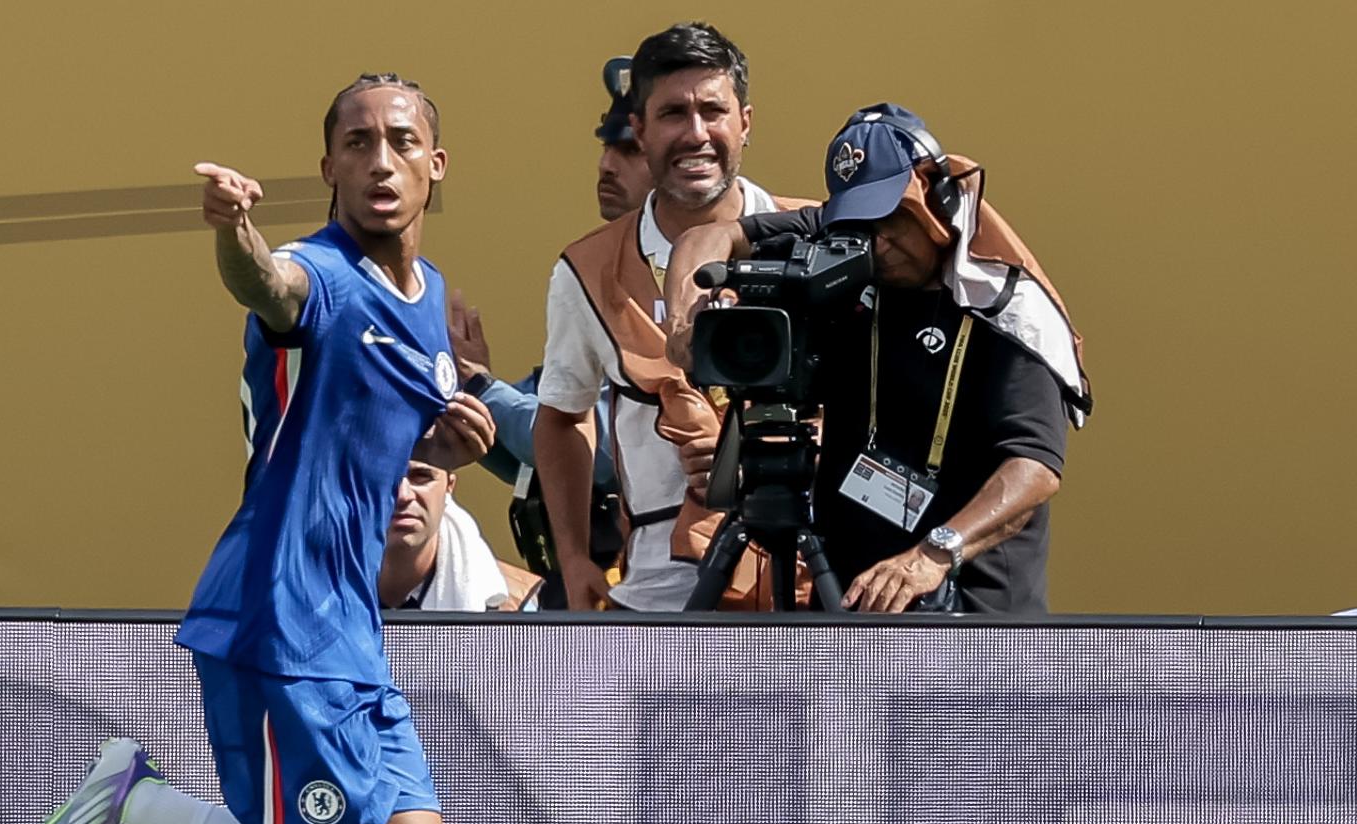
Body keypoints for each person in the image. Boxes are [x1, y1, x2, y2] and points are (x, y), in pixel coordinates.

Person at [12, 74, 494, 824]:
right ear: (324, 167)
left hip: (352, 636)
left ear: (439, 165)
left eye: (402, 142)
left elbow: (368, 427)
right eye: (355, 142)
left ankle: (144, 803)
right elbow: (270, 289)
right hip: (278, 623)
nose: (379, 159)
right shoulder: (316, 274)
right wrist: (235, 233)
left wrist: (449, 433)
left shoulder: (429, 306)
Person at [665, 105, 1092, 612]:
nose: (877, 243)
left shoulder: (1006, 306)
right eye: (860, 223)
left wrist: (933, 555)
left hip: (970, 618)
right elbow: (706, 237)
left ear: (935, 197)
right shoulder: (846, 243)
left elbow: (1034, 467)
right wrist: (682, 321)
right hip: (855, 600)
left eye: (891, 218)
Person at [532, 23, 810, 611]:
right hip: (663, 596)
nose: (697, 134)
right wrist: (575, 557)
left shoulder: (814, 237)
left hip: (815, 576)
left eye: (714, 110)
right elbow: (561, 416)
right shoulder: (586, 268)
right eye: (673, 114)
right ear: (640, 128)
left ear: (746, 122)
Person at [449, 56, 644, 605]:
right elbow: (542, 456)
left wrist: (486, 391)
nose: (606, 165)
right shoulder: (592, 273)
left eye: (627, 151)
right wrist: (470, 404)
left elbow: (608, 449)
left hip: (666, 580)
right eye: (605, 148)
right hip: (589, 582)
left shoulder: (689, 278)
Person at [379, 458, 540, 610]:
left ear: (449, 486)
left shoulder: (525, 606)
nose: (403, 495)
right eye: (383, 476)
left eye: (421, 476)